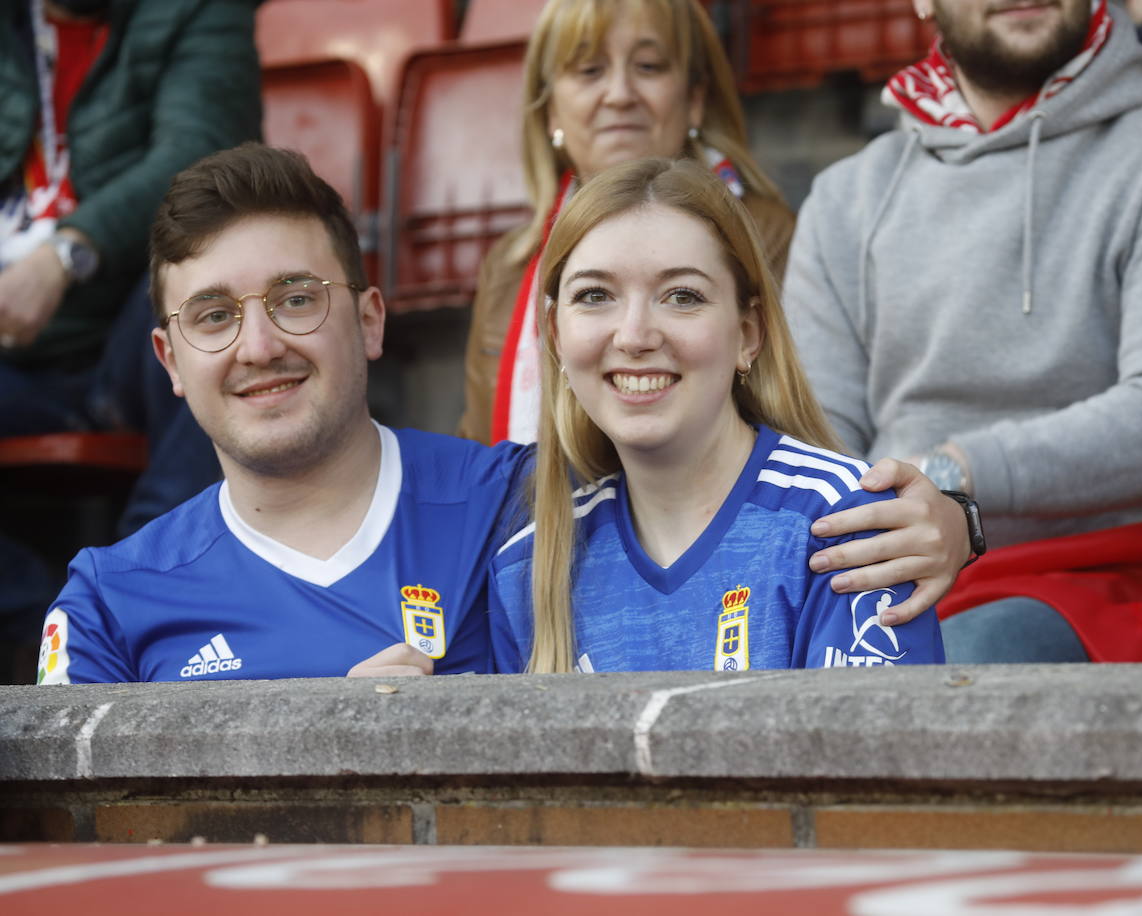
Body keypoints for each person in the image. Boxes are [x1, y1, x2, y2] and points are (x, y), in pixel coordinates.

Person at [36, 145, 967, 685]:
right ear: (168, 358)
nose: (258, 345)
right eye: (212, 316)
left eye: (295, 297)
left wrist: (954, 511)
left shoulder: (523, 510)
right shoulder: (109, 598)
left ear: (369, 320)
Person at [783, 0, 1142, 663]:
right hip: (906, 578)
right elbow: (820, 438)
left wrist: (958, 480)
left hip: (1140, 576)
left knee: (955, 664)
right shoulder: (847, 198)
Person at [488, 158, 945, 673]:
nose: (635, 335)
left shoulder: (846, 524)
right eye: (595, 296)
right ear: (555, 336)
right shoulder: (526, 568)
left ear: (747, 334)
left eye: (682, 296)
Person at [0, 0, 260, 662]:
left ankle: (148, 605)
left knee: (204, 301)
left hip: (123, 321)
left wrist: (67, 252)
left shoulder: (192, 11)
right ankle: (48, 624)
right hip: (15, 353)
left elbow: (199, 161)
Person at [456, 0, 795, 447]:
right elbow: (477, 452)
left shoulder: (767, 237)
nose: (619, 94)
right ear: (552, 110)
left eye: (649, 67)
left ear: (694, 100)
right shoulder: (507, 267)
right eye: (589, 71)